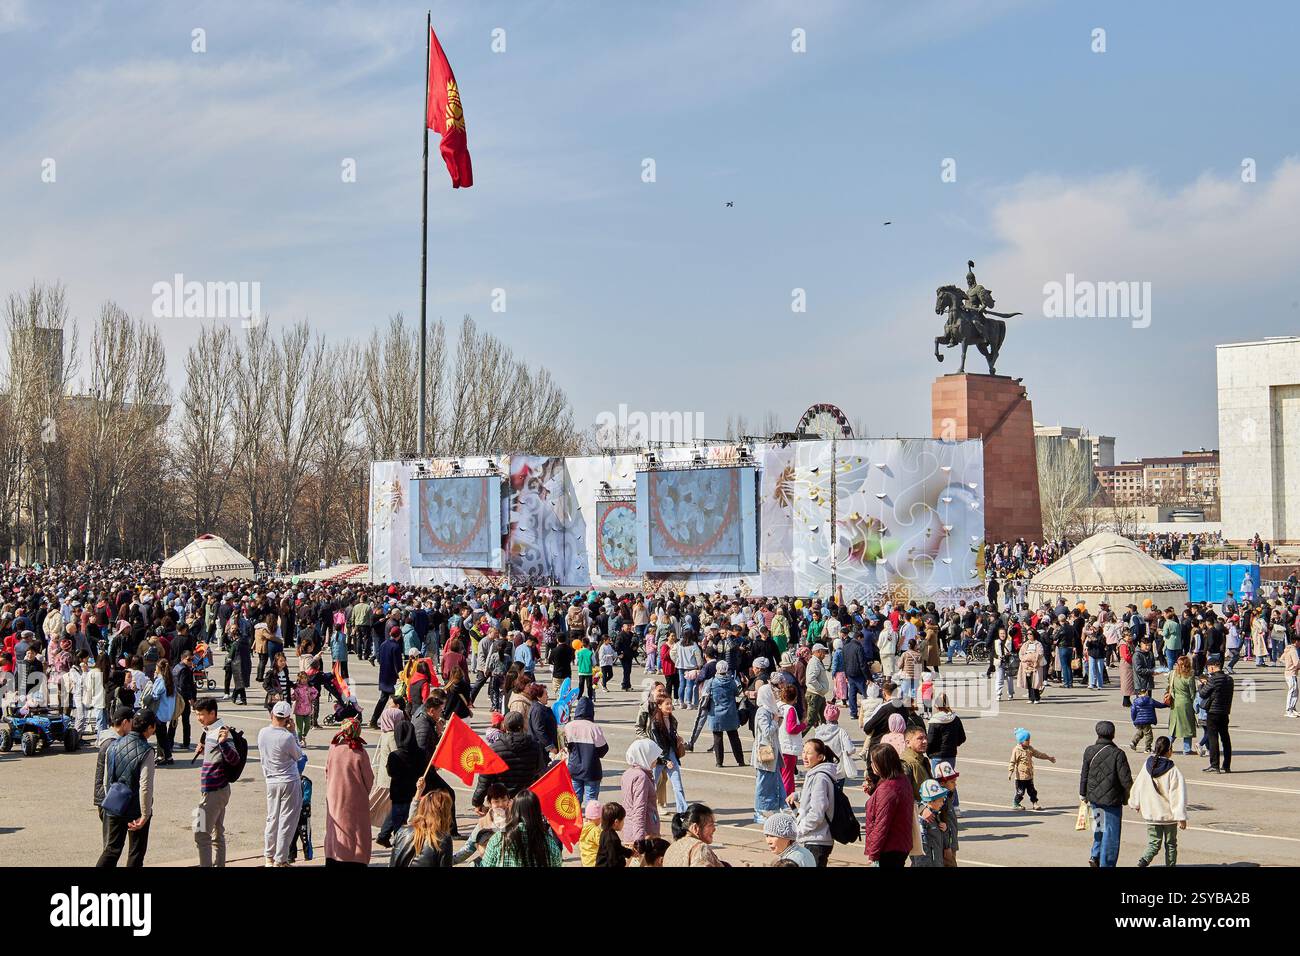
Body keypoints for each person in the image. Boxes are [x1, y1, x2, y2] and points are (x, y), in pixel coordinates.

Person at [95, 709, 158, 868]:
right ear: (150, 727)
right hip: (135, 808)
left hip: (114, 803)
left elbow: (107, 778)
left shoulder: (113, 744)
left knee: (111, 849)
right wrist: (145, 814)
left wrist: (109, 799)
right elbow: (145, 786)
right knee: (136, 852)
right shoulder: (146, 751)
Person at [193, 698, 240, 867]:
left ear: (212, 713)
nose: (198, 718)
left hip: (214, 791)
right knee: (217, 832)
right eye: (197, 714)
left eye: (201, 714)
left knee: (201, 834)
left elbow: (234, 759)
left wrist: (223, 744)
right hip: (216, 789)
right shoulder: (210, 730)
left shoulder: (221, 732)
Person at [1128, 736, 1188, 867]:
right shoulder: (1173, 770)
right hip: (1168, 817)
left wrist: (1135, 802)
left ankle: (1143, 861)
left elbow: (1138, 785)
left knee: (1154, 843)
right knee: (1171, 844)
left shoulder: (1147, 765)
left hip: (1151, 814)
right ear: (1169, 751)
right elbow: (1177, 796)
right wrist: (1181, 817)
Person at [259, 701, 305, 867]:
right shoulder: (287, 737)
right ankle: (280, 859)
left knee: (272, 818)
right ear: (287, 718)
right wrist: (293, 732)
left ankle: (268, 857)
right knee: (287, 821)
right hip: (288, 780)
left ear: (272, 715)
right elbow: (299, 755)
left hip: (271, 780)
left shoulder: (263, 733)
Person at [1080, 720, 1132, 868]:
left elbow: (1084, 774)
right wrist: (1130, 798)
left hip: (1094, 799)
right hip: (1112, 801)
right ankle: (1106, 864)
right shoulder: (1118, 754)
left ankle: (1095, 855)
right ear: (1113, 734)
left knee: (1099, 828)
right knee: (1111, 835)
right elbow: (1126, 780)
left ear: (1097, 733)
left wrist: (1082, 794)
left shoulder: (1089, 750)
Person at [324, 717, 374, 867]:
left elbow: (327, 771)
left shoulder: (334, 747)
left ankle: (334, 854)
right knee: (357, 830)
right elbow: (369, 779)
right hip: (355, 798)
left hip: (334, 795)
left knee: (335, 828)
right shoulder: (359, 752)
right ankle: (356, 857)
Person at [480, 789, 564, 867]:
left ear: (514, 810)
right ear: (537, 812)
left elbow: (485, 865)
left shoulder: (499, 839)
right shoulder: (548, 842)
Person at [788, 737, 837, 866]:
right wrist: (798, 795)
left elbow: (817, 813)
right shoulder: (815, 773)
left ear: (820, 757)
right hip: (813, 838)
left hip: (817, 840)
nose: (804, 756)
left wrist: (800, 829)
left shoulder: (820, 777)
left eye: (809, 753)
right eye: (804, 751)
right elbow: (814, 795)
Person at [862, 744, 913, 868]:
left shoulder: (888, 788)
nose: (871, 765)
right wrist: (874, 793)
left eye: (873, 762)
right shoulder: (902, 780)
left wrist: (873, 854)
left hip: (889, 848)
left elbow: (882, 824)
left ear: (882, 764)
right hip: (900, 843)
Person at [92, 707, 133, 849]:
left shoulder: (111, 739)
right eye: (131, 722)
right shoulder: (111, 743)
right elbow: (107, 776)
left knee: (112, 843)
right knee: (111, 845)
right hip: (109, 798)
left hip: (107, 797)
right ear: (125, 723)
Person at [390, 787, 454, 867]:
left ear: (422, 807)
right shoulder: (443, 839)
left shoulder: (402, 831)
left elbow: (392, 863)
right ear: (445, 812)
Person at [564, 696, 609, 806]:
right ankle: (590, 817)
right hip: (592, 770)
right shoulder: (594, 728)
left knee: (575, 801)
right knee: (591, 801)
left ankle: (576, 816)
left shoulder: (569, 726)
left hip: (574, 768)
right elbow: (603, 749)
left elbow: (566, 747)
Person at [704, 660, 746, 768]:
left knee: (717, 738)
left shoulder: (712, 681)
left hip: (716, 713)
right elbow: (737, 693)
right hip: (730, 713)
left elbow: (705, 693)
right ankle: (740, 760)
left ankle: (719, 762)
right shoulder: (731, 681)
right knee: (734, 737)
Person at [621, 738, 662, 844]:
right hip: (644, 835)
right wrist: (639, 841)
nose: (656, 760)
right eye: (654, 756)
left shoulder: (628, 773)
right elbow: (639, 808)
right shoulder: (641, 777)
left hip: (630, 829)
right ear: (645, 756)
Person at [1198, 655, 1234, 773]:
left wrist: (1201, 685)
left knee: (1213, 738)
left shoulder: (1213, 679)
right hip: (1224, 712)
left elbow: (1203, 694)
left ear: (1212, 667)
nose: (1208, 670)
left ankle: (1215, 765)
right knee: (1225, 738)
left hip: (1213, 712)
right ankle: (1226, 765)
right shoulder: (1229, 679)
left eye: (1208, 667)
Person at [1007, 727, 1054, 810]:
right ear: (1021, 741)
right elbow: (1012, 762)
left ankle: (1035, 803)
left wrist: (1048, 757)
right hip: (1020, 778)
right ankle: (1016, 803)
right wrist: (1010, 772)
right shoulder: (1017, 750)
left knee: (1032, 791)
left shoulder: (1030, 749)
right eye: (1027, 740)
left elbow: (1038, 754)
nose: (1029, 741)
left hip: (1029, 776)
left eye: (1029, 739)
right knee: (1020, 792)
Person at [663, 803, 722, 867]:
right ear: (695, 828)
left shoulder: (671, 848)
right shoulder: (700, 848)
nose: (714, 829)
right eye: (710, 825)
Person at [914, 779, 951, 867]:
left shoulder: (936, 814)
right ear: (930, 801)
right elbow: (922, 850)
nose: (942, 803)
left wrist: (945, 830)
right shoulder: (923, 820)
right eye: (940, 800)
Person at [1129, 687, 1167, 753]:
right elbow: (1159, 705)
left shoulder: (1135, 701)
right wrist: (1166, 705)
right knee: (1149, 735)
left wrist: (1134, 720)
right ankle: (1147, 748)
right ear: (1146, 692)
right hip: (1147, 720)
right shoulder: (1150, 700)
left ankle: (1133, 742)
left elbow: (1133, 712)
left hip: (1138, 721)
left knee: (1140, 732)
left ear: (1139, 694)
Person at [594, 802, 633, 867]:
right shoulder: (612, 839)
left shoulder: (605, 832)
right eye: (623, 820)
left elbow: (618, 848)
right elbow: (613, 861)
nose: (623, 823)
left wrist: (630, 852)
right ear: (616, 822)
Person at [578, 799, 603, 867]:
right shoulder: (595, 830)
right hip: (595, 861)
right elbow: (603, 844)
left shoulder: (582, 827)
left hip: (585, 861)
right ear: (598, 818)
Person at [1283, 634, 1300, 718]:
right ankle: (1289, 710)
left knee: (1295, 691)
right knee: (1293, 691)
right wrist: (1292, 666)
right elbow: (1296, 663)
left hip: (1289, 673)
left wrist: (1288, 665)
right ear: (1296, 641)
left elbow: (1282, 659)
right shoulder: (1293, 650)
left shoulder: (1287, 649)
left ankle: (1292, 708)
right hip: (1291, 673)